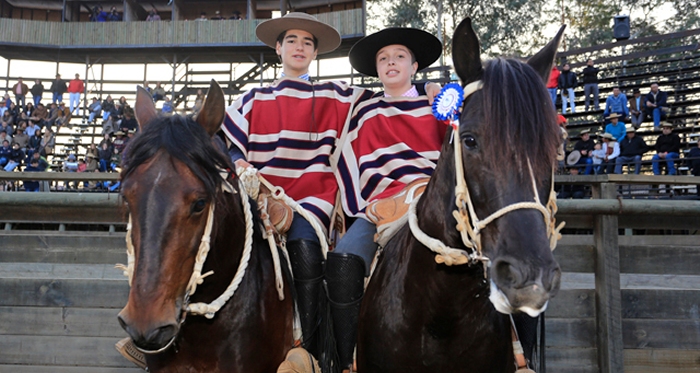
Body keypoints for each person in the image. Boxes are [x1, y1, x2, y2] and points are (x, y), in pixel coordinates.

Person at [221, 13, 378, 365]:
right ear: (278, 48)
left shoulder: (336, 95)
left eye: (308, 42)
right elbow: (229, 142)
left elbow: (385, 102)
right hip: (260, 190)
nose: (299, 46)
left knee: (305, 244)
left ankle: (307, 347)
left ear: (315, 54)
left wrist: (427, 93)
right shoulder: (253, 96)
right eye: (292, 40)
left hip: (312, 194)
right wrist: (240, 162)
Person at [329, 27, 444, 372]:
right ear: (377, 70)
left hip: (432, 198)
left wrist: (435, 91)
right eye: (383, 58)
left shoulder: (436, 104)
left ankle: (520, 353)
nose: (390, 62)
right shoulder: (363, 111)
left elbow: (460, 137)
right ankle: (347, 356)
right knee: (343, 261)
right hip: (382, 206)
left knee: (497, 251)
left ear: (415, 66)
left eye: (399, 57)